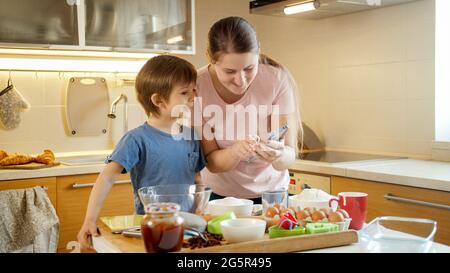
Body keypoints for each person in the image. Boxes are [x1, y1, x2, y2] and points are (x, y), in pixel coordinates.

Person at [77, 55, 207, 250]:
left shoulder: (191, 136)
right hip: (151, 230)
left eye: (194, 90)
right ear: (158, 100)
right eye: (184, 92)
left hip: (189, 229)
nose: (193, 97)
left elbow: (197, 180)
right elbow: (106, 178)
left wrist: (199, 213)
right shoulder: (136, 139)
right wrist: (89, 220)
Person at [195, 16, 303, 204]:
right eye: (230, 72)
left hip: (273, 195)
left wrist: (278, 155)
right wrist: (236, 151)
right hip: (219, 197)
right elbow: (211, 162)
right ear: (210, 59)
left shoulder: (276, 80)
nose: (241, 81)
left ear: (258, 52)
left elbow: (289, 154)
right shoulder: (197, 86)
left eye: (249, 68)